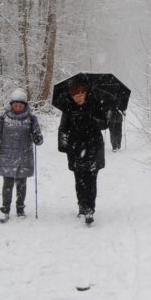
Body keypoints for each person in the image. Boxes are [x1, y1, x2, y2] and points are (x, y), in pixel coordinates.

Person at [0, 88, 43, 220]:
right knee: (7, 184)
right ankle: (5, 208)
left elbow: (39, 138)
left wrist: (37, 138)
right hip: (7, 156)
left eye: (20, 105)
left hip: (24, 156)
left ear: (25, 106)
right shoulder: (3, 118)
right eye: (15, 105)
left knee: (21, 184)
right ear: (11, 105)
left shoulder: (31, 118)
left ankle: (20, 208)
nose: (18, 107)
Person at [57, 78, 108, 224]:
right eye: (75, 96)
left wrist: (93, 120)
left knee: (91, 180)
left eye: (80, 95)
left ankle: (90, 209)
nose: (78, 99)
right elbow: (63, 128)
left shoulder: (95, 104)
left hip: (94, 147)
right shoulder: (68, 108)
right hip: (76, 148)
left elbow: (105, 124)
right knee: (79, 180)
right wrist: (63, 144)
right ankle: (82, 206)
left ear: (86, 93)